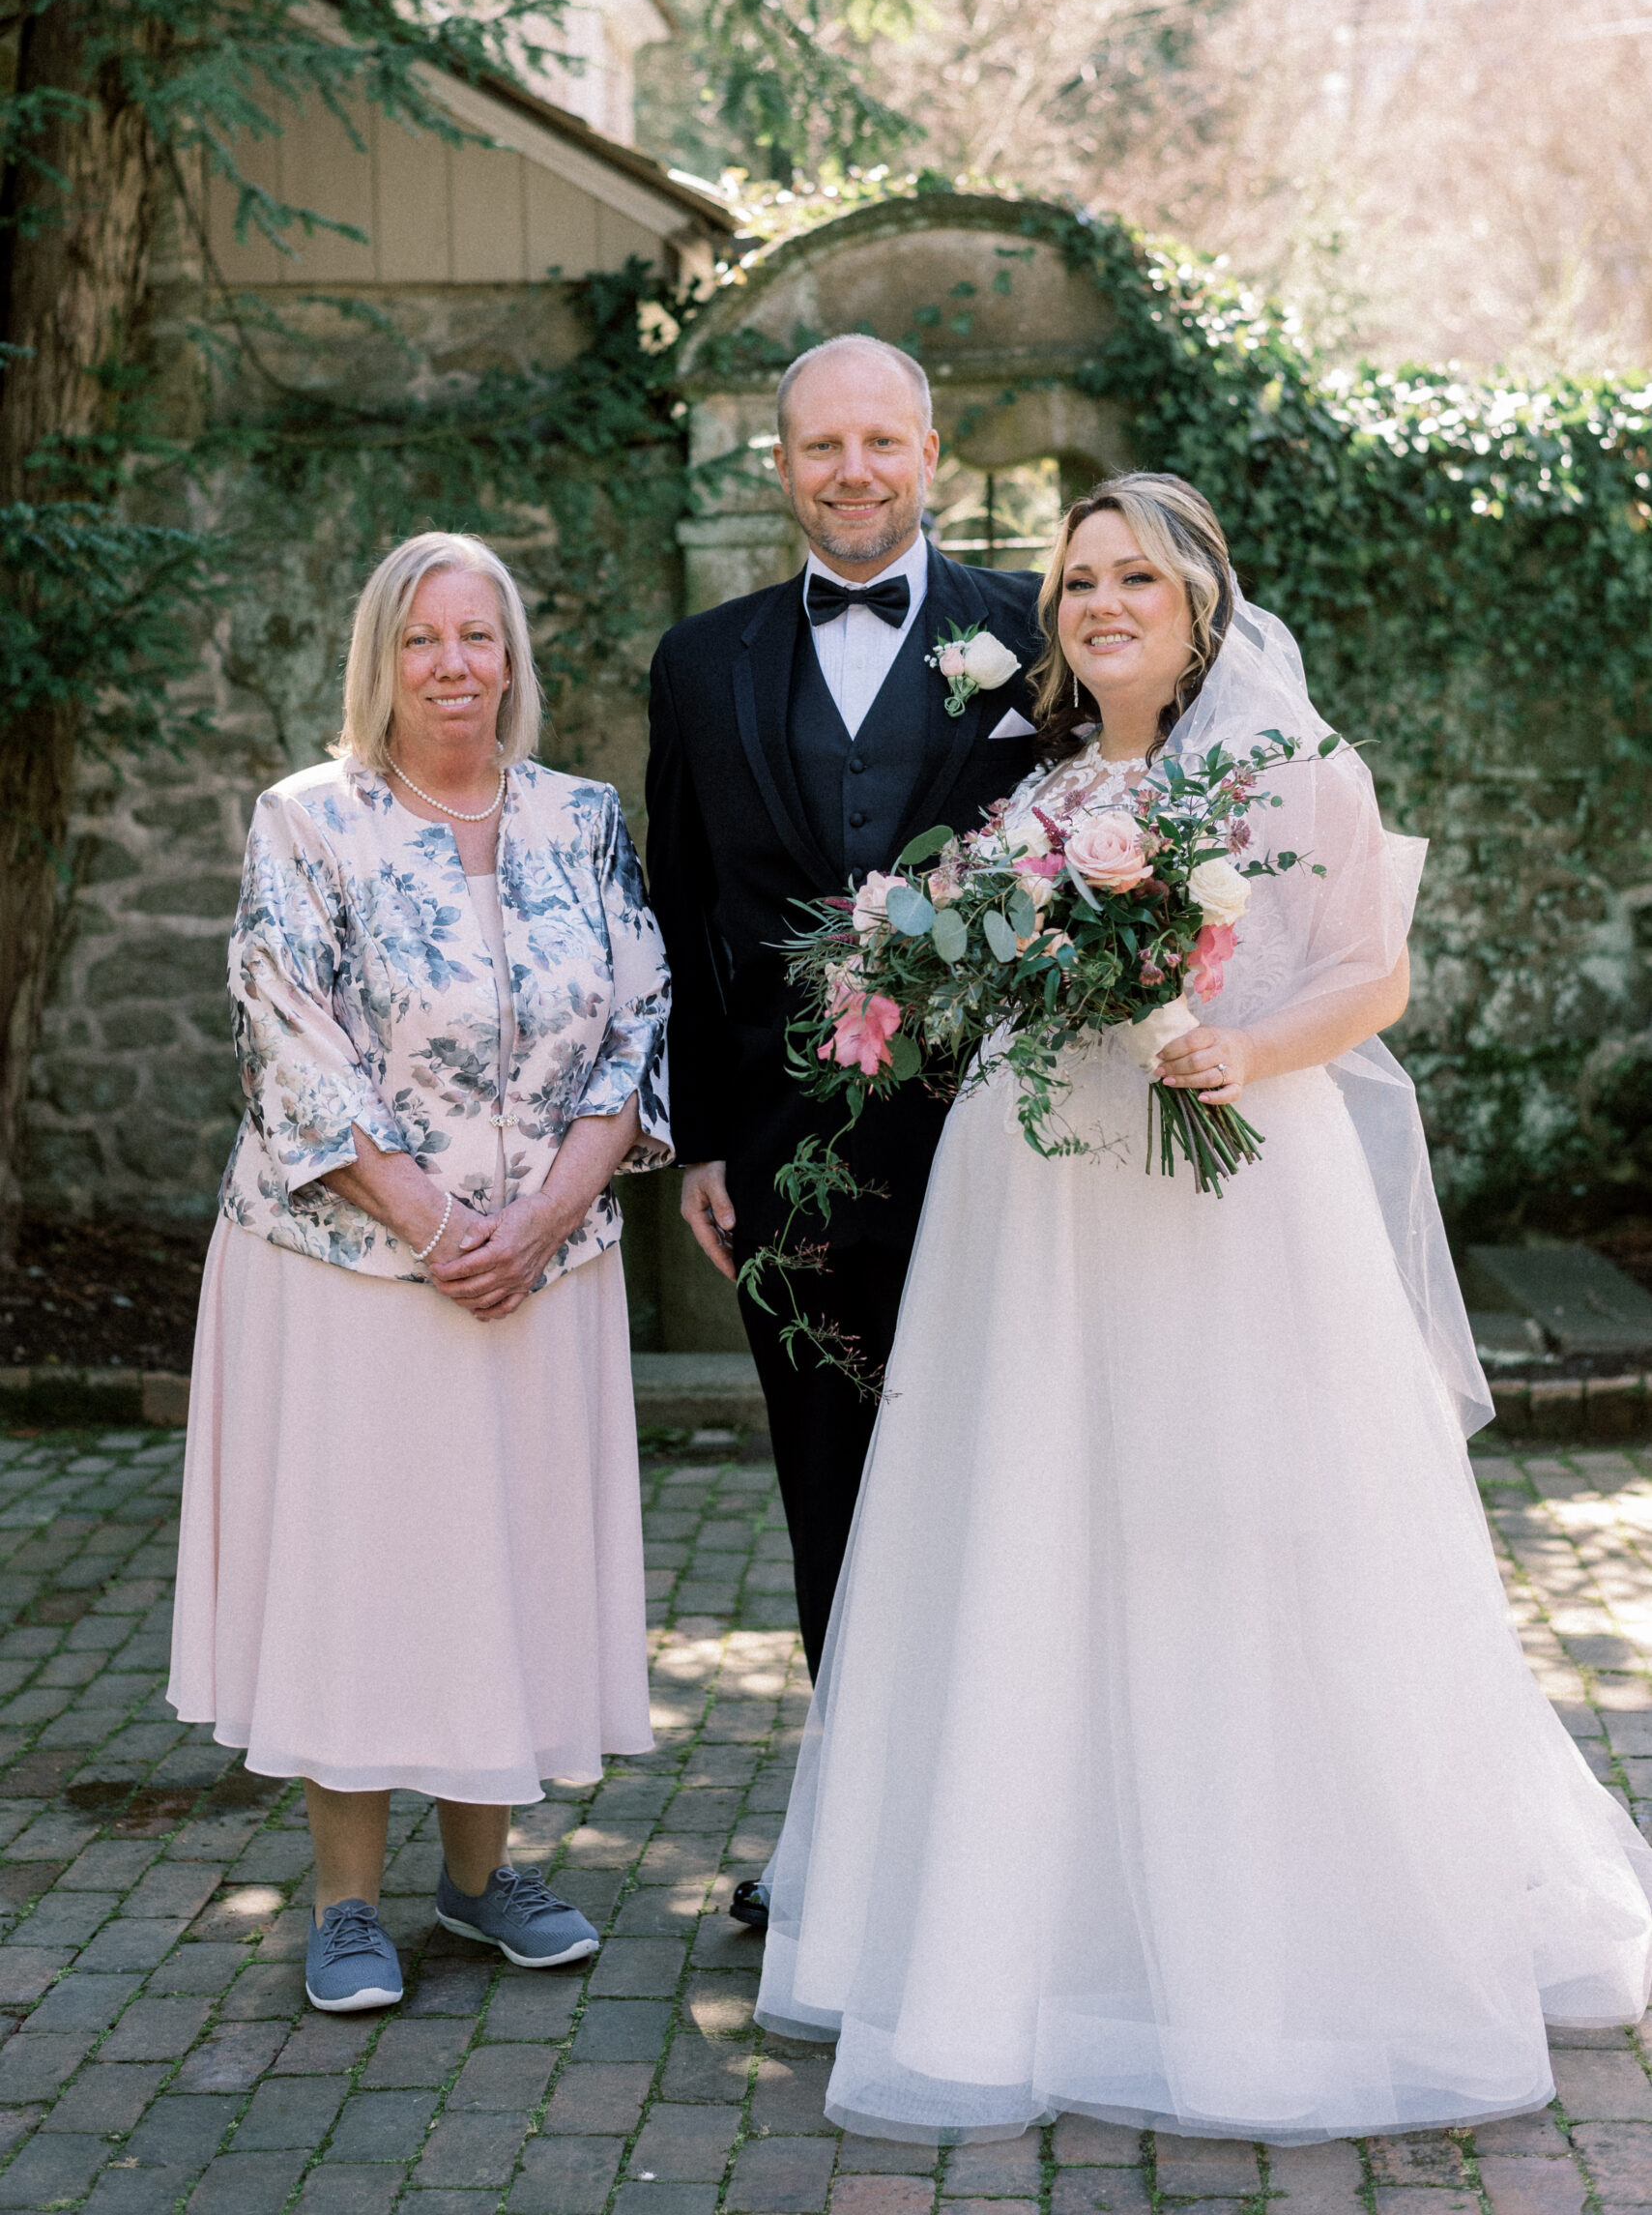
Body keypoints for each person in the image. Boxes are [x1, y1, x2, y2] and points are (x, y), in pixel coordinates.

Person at [754, 473, 1652, 2143]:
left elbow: (1369, 974)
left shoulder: (1292, 767)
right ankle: (1042, 1927)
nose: (1100, 604)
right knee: (1040, 1527)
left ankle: (1264, 1936)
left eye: (1135, 580)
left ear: (1199, 607)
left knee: (1232, 1525)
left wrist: (1242, 1045)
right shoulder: (1031, 784)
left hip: (1226, 1192)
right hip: (1038, 1206)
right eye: (1077, 581)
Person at [168, 531, 672, 2016]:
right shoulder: (308, 821)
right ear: (380, 660)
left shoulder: (582, 819)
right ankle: (342, 1903)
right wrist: (440, 1227)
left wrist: (545, 1217)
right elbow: (289, 1043)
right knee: (363, 1563)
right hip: (353, 1269)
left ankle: (478, 1876)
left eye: (476, 636)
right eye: (421, 639)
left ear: (511, 657)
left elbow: (638, 1024)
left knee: (498, 1559)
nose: (453, 665)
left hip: (544, 1268)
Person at [646, 336, 1042, 1918]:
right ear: (781, 466)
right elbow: (682, 910)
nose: (853, 470)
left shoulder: (1038, 629)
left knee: (1012, 1487)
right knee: (833, 1493)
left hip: (1009, 1153)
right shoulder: (702, 662)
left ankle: (1016, 1847)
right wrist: (701, 1139)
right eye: (822, 445)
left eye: (882, 440)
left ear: (931, 452)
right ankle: (865, 1851)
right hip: (790, 1164)